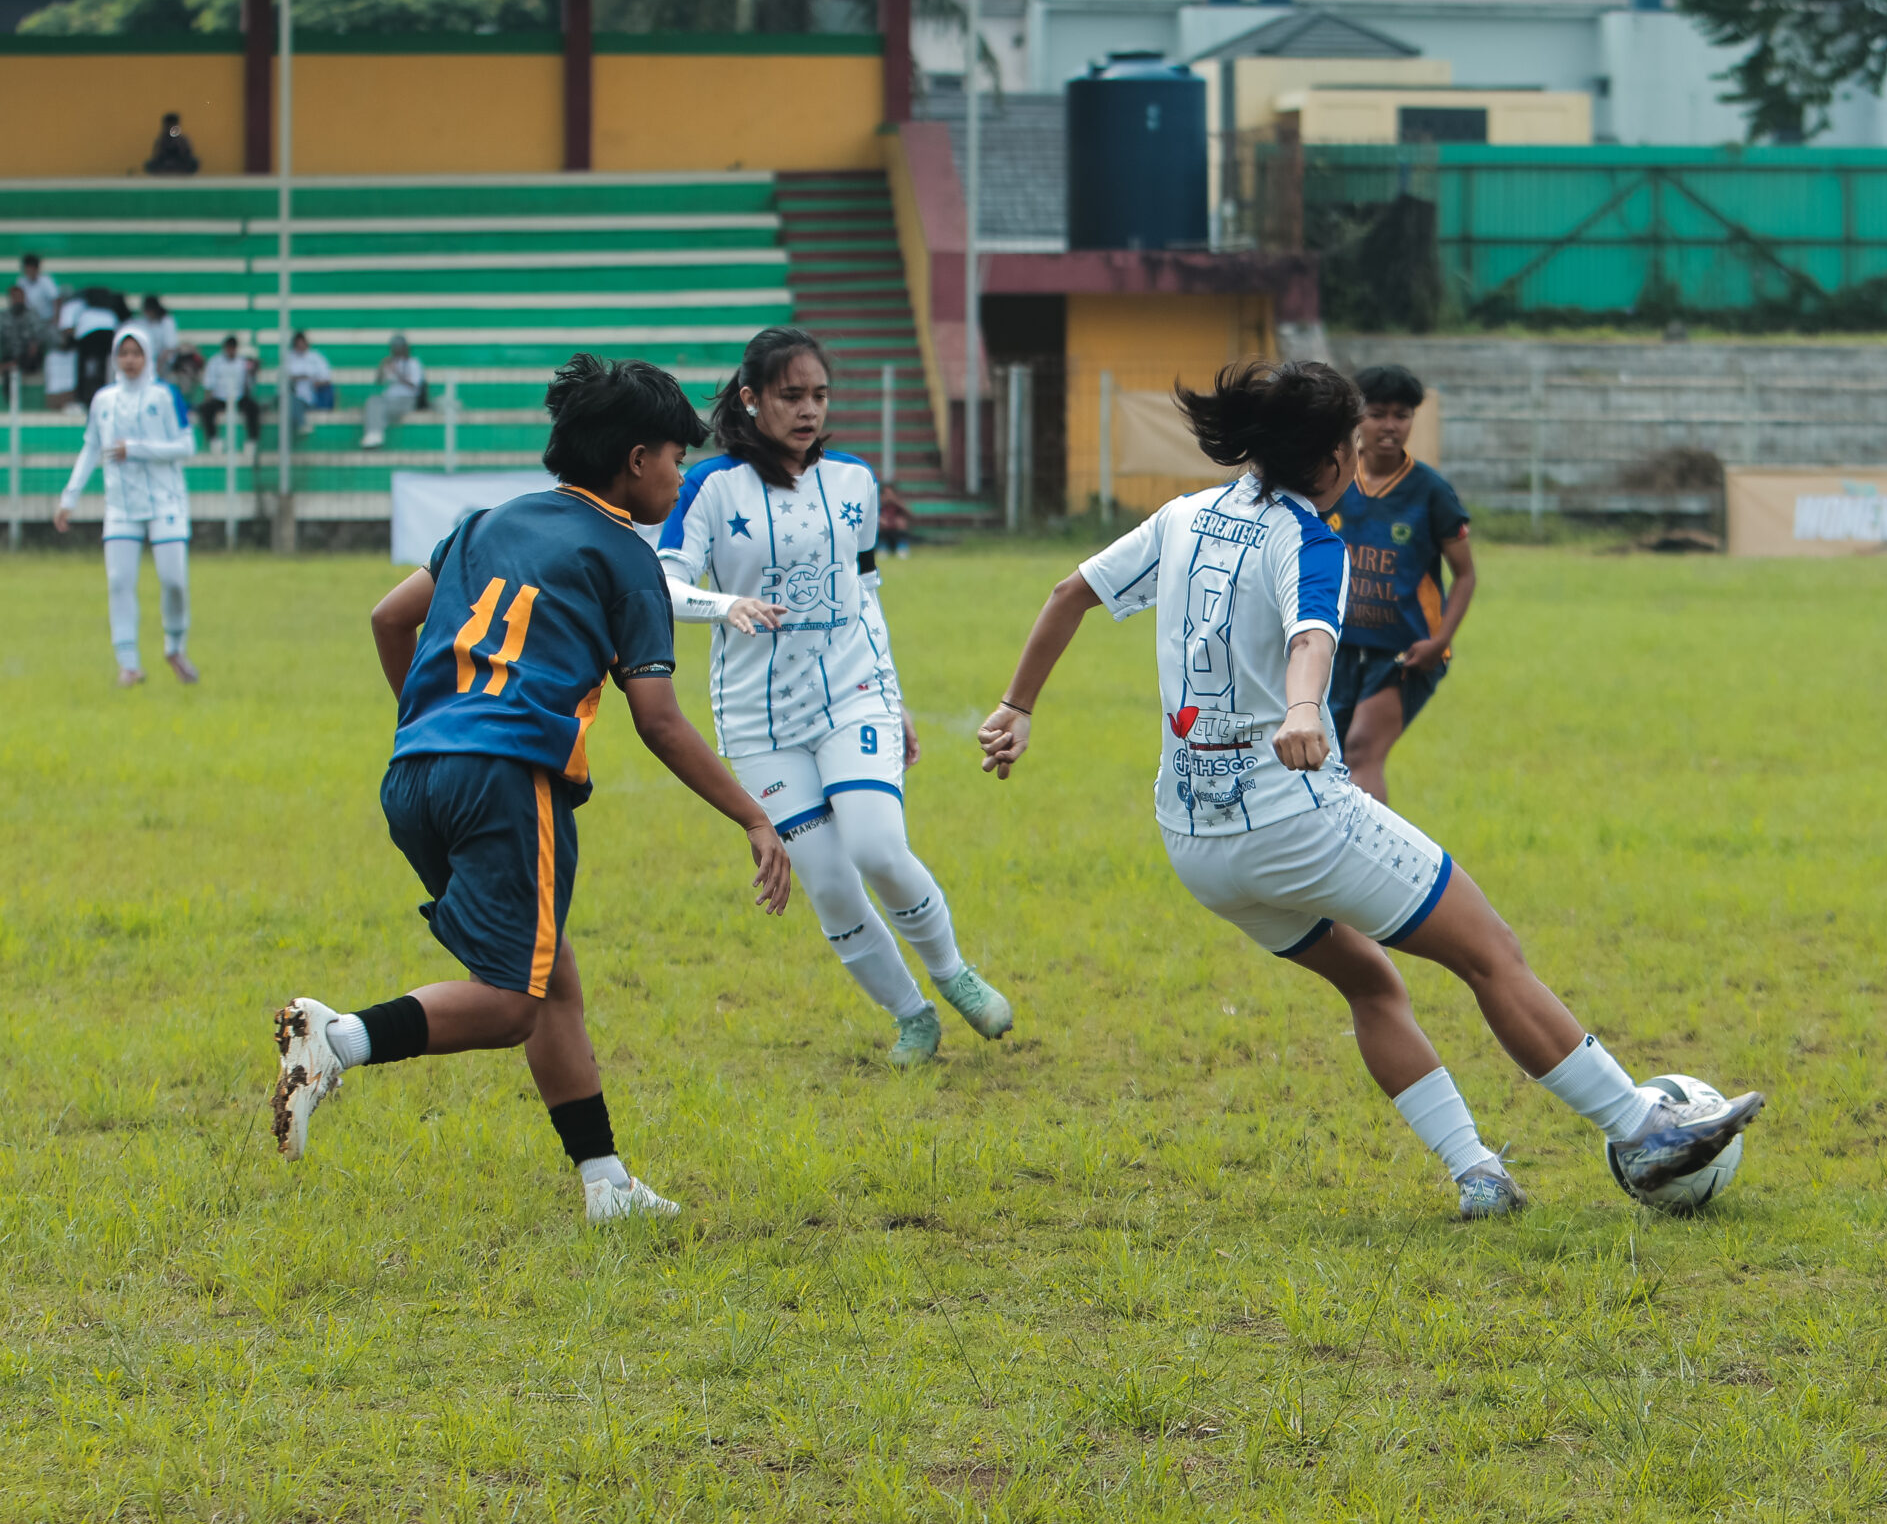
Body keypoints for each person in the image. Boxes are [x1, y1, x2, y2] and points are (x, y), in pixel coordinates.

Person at [975, 361, 1764, 1218]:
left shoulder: (1182, 515)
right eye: (1351, 447)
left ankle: (1477, 1174)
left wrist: (1017, 706)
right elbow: (1313, 632)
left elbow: (1068, 593)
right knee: (1489, 952)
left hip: (1195, 842)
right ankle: (1643, 1128)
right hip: (1292, 819)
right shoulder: (1311, 538)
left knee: (1373, 984)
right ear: (1326, 462)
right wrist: (1305, 708)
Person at [270, 355, 796, 1223]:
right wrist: (753, 815)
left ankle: (604, 1182)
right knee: (513, 1001)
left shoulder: (486, 521)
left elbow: (388, 617)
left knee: (551, 979)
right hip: (511, 777)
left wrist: (430, 721)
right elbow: (658, 720)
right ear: (635, 460)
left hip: (416, 775)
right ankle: (339, 1039)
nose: (682, 473)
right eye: (675, 457)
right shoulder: (627, 557)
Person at [658, 325, 1014, 1066]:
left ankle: (953, 974)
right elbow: (664, 581)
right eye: (792, 396)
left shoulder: (854, 479)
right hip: (759, 720)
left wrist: (896, 695)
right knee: (827, 878)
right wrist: (726, 607)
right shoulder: (710, 487)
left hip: (856, 695)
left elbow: (867, 594)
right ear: (752, 399)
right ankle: (912, 1016)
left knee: (878, 846)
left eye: (820, 395)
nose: (810, 410)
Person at [1324, 364, 1477, 803]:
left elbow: (1465, 574)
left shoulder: (1432, 492)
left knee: (1361, 750)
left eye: (1401, 414)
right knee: (1328, 759)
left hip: (1406, 653)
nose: (1390, 426)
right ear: (1357, 418)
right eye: (1378, 414)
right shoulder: (1330, 481)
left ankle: (1373, 863)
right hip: (1335, 649)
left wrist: (1440, 640)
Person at [54, 327, 200, 688]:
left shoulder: (165, 396)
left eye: (136, 353)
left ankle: (175, 647)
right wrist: (69, 497)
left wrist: (135, 448)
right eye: (124, 354)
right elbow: (91, 448)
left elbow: (186, 446)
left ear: (147, 356)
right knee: (119, 582)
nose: (130, 360)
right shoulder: (103, 400)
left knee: (174, 582)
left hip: (165, 501)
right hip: (120, 505)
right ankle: (129, 663)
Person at [0, 283, 49, 403]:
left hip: (29, 356)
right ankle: (10, 398)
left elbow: (41, 334)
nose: (19, 300)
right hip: (10, 354)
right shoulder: (2, 317)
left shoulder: (32, 315)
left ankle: (6, 366)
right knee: (9, 371)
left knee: (27, 359)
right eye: (15, 297)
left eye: (21, 297)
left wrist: (35, 344)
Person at [358, 335, 425, 449]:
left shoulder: (413, 363)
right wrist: (381, 368)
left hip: (406, 399)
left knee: (379, 408)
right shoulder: (391, 362)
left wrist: (397, 372)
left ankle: (376, 432)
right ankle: (374, 434)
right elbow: (379, 381)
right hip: (389, 398)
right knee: (372, 401)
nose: (396, 351)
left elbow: (415, 385)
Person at [197, 334, 260, 450]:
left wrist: (253, 372)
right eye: (229, 348)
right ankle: (213, 439)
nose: (231, 350)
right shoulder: (215, 362)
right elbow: (208, 383)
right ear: (225, 348)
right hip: (220, 398)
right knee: (206, 408)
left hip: (238, 398)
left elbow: (249, 384)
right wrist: (208, 398)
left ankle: (252, 441)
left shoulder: (243, 362)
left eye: (233, 348)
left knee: (253, 408)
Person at [70, 288, 124, 410]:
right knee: (103, 368)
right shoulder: (110, 313)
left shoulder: (84, 313)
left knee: (88, 369)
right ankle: (100, 396)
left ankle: (85, 399)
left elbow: (76, 335)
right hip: (105, 339)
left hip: (90, 341)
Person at [284, 331, 335, 436]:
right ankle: (301, 424)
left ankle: (300, 424)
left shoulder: (315, 357)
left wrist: (315, 382)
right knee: (291, 400)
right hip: (295, 395)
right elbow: (284, 377)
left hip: (311, 396)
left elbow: (327, 378)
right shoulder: (289, 358)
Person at [44, 289, 83, 413]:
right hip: (56, 355)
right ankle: (57, 402)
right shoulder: (50, 324)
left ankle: (72, 401)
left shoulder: (78, 316)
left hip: (73, 354)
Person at [129, 295, 181, 377]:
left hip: (163, 362)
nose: (148, 314)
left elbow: (170, 346)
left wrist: (158, 363)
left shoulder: (167, 322)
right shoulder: (141, 321)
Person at [16, 253, 60, 323]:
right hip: (29, 320)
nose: (28, 272)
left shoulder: (46, 281)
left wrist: (56, 318)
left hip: (46, 320)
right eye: (26, 269)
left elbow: (56, 299)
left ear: (36, 268)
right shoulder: (22, 282)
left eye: (30, 269)